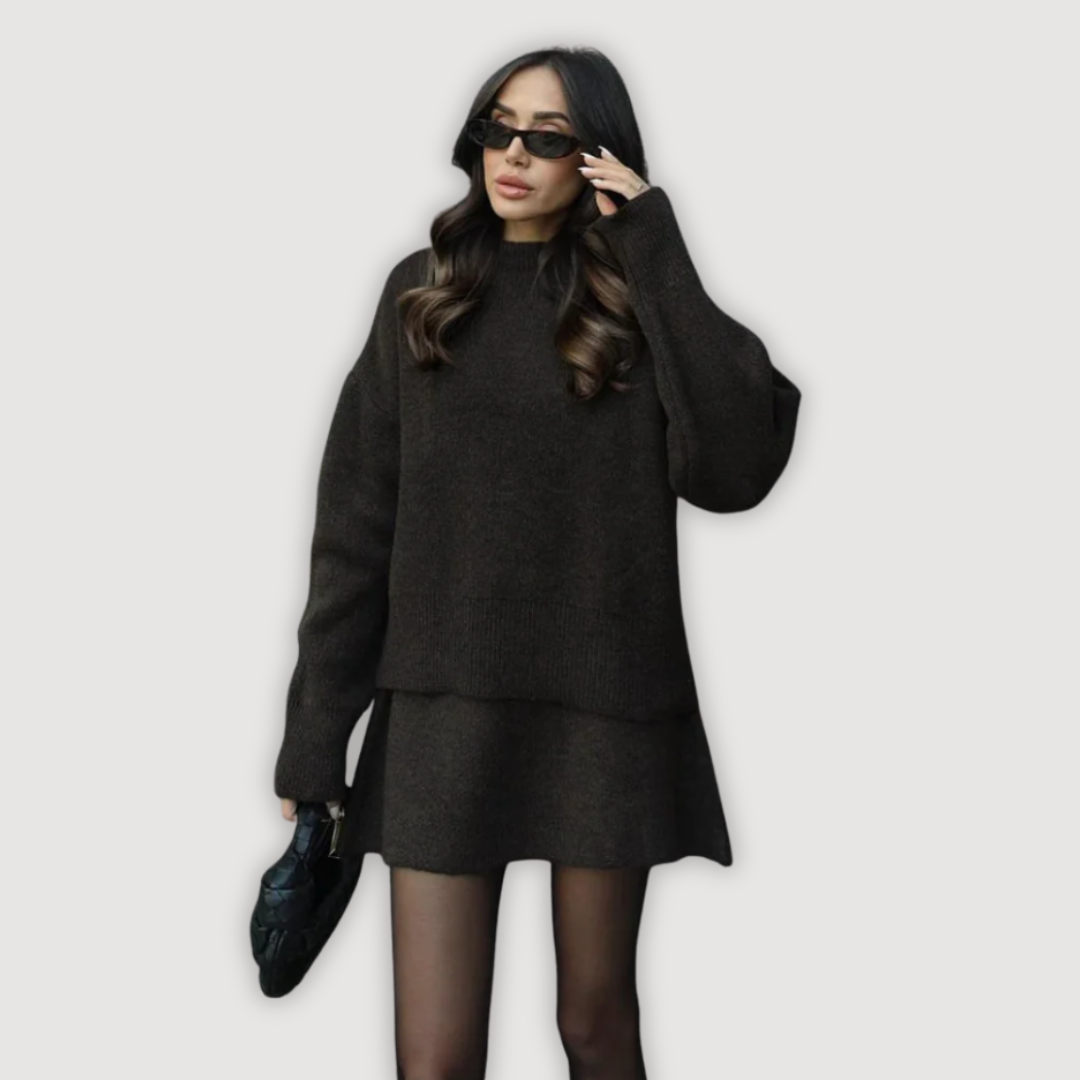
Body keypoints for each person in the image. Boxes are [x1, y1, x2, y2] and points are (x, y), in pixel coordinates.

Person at [273, 45, 801, 1080]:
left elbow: (736, 469)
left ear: (598, 157)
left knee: (596, 1028)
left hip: (603, 710)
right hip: (441, 707)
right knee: (434, 1061)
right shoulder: (422, 293)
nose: (512, 155)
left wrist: (653, 242)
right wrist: (315, 738)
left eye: (547, 138)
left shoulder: (638, 295)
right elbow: (354, 532)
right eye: (497, 129)